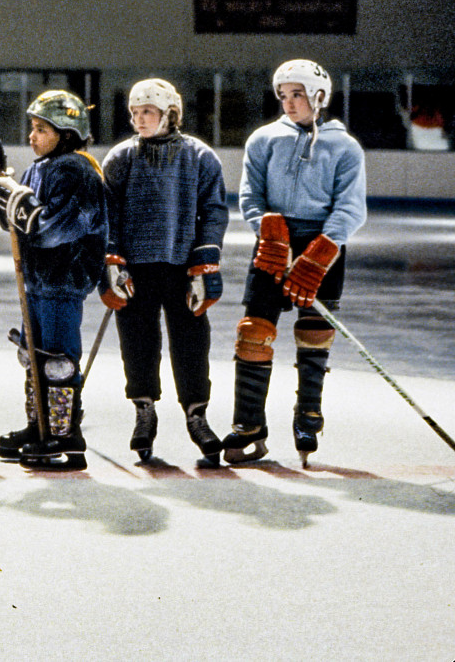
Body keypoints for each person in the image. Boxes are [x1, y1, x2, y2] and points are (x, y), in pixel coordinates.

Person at [222, 59, 367, 466]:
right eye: (283, 95)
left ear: (319, 96)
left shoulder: (344, 146)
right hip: (274, 242)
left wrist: (322, 250)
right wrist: (267, 229)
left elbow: (351, 207)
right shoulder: (263, 140)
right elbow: (250, 197)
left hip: (322, 242)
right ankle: (248, 423)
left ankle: (308, 414)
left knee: (315, 332)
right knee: (254, 331)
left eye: (297, 94)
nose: (288, 102)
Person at [0, 90, 107, 469]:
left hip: (63, 279)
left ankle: (64, 434)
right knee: (33, 355)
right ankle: (40, 425)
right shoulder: (38, 168)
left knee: (57, 359)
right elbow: (17, 226)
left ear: (66, 133)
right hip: (37, 279)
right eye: (32, 128)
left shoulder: (78, 169)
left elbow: (54, 229)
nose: (32, 136)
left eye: (42, 129)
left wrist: (10, 193)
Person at [99, 78, 229, 465]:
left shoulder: (199, 156)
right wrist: (111, 258)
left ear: (170, 114)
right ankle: (143, 410)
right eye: (135, 113)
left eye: (148, 113)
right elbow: (110, 213)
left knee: (191, 340)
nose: (139, 120)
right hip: (135, 268)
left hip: (183, 266)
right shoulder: (122, 158)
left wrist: (206, 260)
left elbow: (215, 209)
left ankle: (196, 414)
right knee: (137, 339)